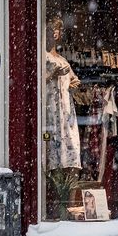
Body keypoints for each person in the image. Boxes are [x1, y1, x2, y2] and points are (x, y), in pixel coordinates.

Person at [43, 15, 82, 219]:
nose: (54, 33)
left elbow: (73, 80)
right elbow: (37, 83)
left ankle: (68, 204)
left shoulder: (62, 58)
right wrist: (52, 75)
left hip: (66, 113)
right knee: (52, 157)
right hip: (51, 113)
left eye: (57, 30)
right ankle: (54, 206)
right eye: (51, 29)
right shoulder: (42, 56)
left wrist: (73, 84)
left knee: (71, 154)